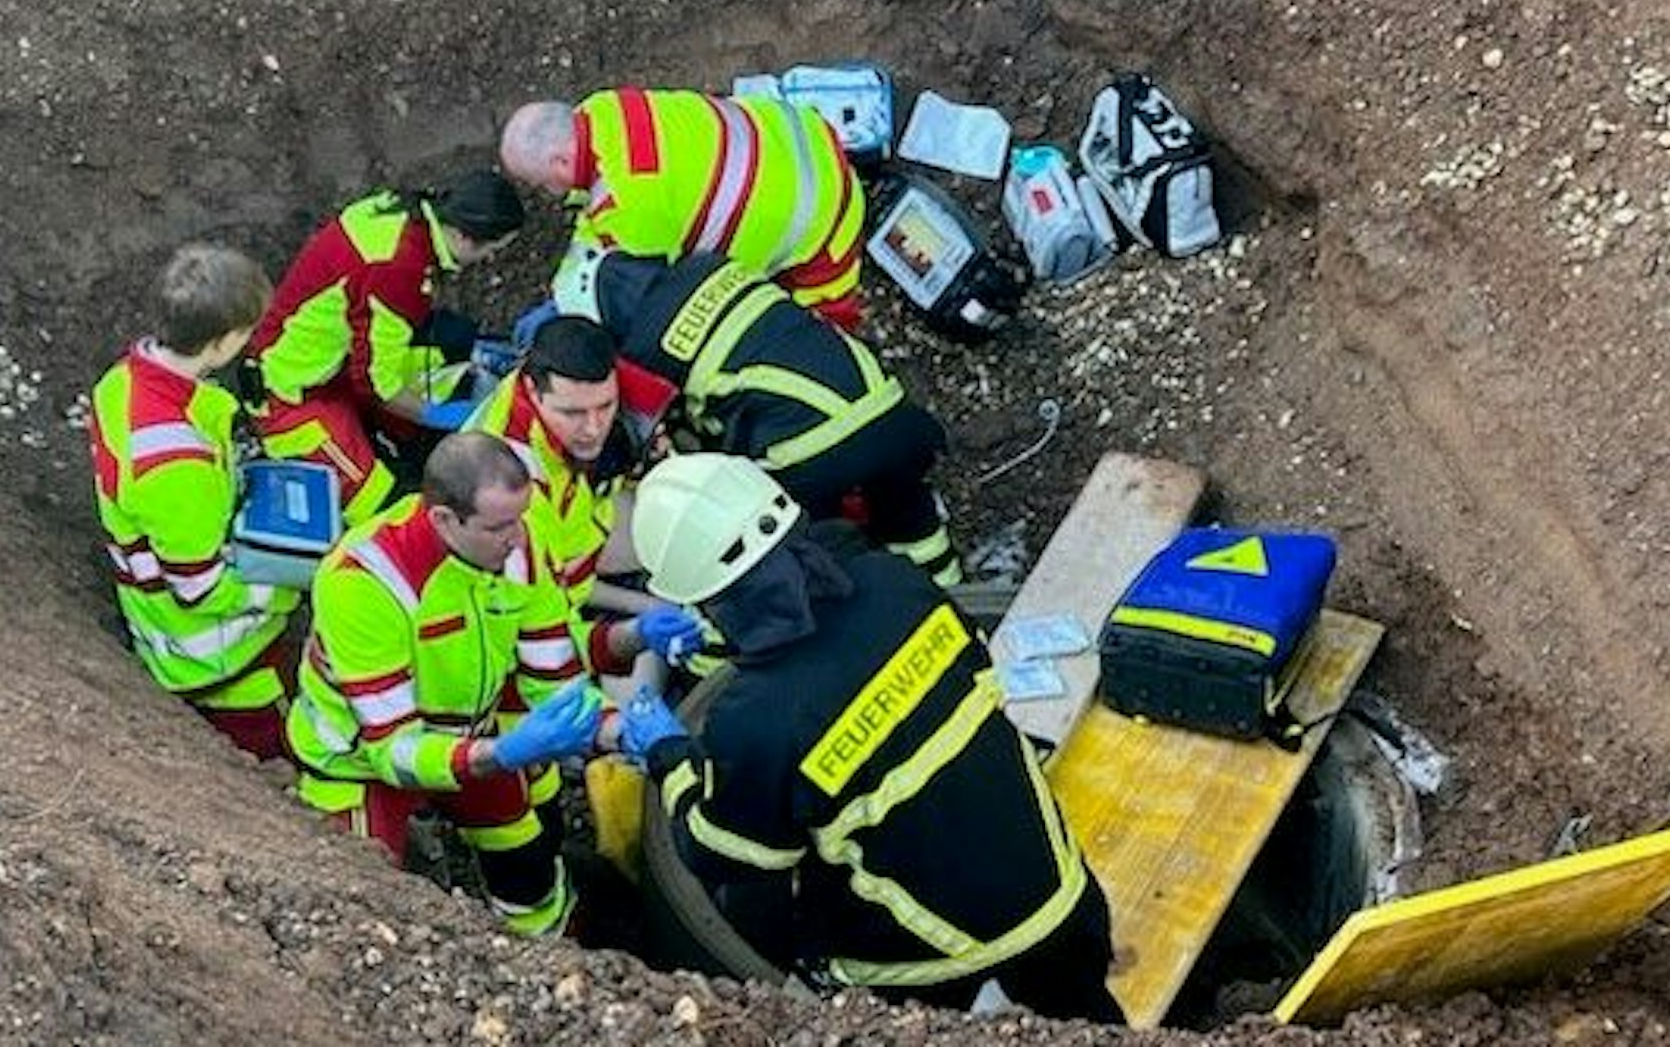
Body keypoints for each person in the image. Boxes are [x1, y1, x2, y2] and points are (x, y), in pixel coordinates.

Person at [616, 453, 1120, 1022]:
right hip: (1061, 896)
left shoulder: (756, 717)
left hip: (930, 964)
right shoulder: (897, 585)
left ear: (709, 599)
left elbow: (727, 855)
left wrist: (668, 754)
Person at [284, 432, 702, 935]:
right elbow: (392, 750)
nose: (518, 537)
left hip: (470, 736)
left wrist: (617, 731)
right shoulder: (364, 583)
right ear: (443, 519)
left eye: (521, 518)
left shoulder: (519, 544)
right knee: (361, 897)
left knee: (524, 851)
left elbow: (553, 675)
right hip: (355, 763)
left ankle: (548, 944)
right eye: (499, 526)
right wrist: (503, 754)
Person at [558, 248, 960, 588]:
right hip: (887, 406)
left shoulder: (643, 351)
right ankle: (953, 593)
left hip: (812, 454)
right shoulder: (712, 267)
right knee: (909, 513)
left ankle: (842, 620)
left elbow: (676, 442)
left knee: (778, 544)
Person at [87, 244, 302, 761]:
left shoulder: (122, 382)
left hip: (172, 626)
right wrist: (290, 585)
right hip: (217, 657)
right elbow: (199, 587)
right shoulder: (176, 462)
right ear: (223, 341)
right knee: (275, 747)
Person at [248, 171, 525, 529]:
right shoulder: (398, 267)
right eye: (492, 249)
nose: (489, 259)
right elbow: (377, 383)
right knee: (382, 508)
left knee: (450, 344)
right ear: (461, 235)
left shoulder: (398, 211)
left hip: (333, 364)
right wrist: (433, 415)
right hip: (289, 395)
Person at [499, 88, 869, 330]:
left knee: (818, 333)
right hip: (805, 139)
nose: (547, 192)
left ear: (562, 161)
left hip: (823, 220)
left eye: (541, 182)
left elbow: (649, 299)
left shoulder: (630, 209)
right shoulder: (604, 108)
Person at [465, 316, 674, 616]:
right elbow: (550, 590)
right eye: (572, 413)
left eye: (605, 407)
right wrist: (646, 607)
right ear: (532, 390)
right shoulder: (514, 482)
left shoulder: (583, 374)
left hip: (586, 508)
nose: (592, 428)